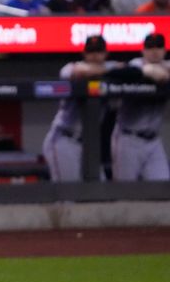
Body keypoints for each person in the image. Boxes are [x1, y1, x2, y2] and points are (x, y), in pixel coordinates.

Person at [42, 35, 121, 182]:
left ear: (106, 53)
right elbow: (80, 72)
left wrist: (115, 70)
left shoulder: (110, 72)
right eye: (91, 52)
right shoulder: (70, 68)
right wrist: (112, 70)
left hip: (88, 143)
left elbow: (128, 70)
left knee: (100, 190)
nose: (95, 56)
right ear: (84, 54)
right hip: (64, 139)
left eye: (98, 51)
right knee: (68, 193)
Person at [111, 33, 170, 182]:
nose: (154, 51)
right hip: (128, 138)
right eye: (150, 48)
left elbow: (163, 74)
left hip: (153, 140)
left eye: (158, 47)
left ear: (164, 50)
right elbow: (119, 73)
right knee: (124, 190)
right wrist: (146, 72)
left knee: (163, 188)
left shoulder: (167, 66)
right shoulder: (136, 65)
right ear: (143, 51)